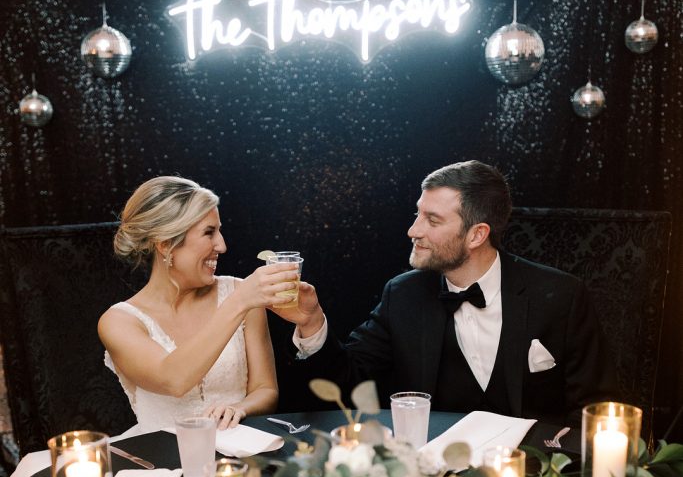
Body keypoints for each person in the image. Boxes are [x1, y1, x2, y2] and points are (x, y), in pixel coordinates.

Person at [272, 160, 618, 425]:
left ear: (477, 234)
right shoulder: (403, 295)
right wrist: (312, 323)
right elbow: (349, 382)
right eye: (417, 214)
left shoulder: (561, 296)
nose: (413, 230)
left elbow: (596, 409)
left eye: (432, 220)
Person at [98, 175, 298, 430]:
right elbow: (173, 380)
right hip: (160, 452)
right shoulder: (118, 322)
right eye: (209, 232)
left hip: (238, 448)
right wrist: (239, 303)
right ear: (165, 244)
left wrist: (239, 409)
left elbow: (265, 389)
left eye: (219, 231)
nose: (222, 245)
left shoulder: (240, 292)